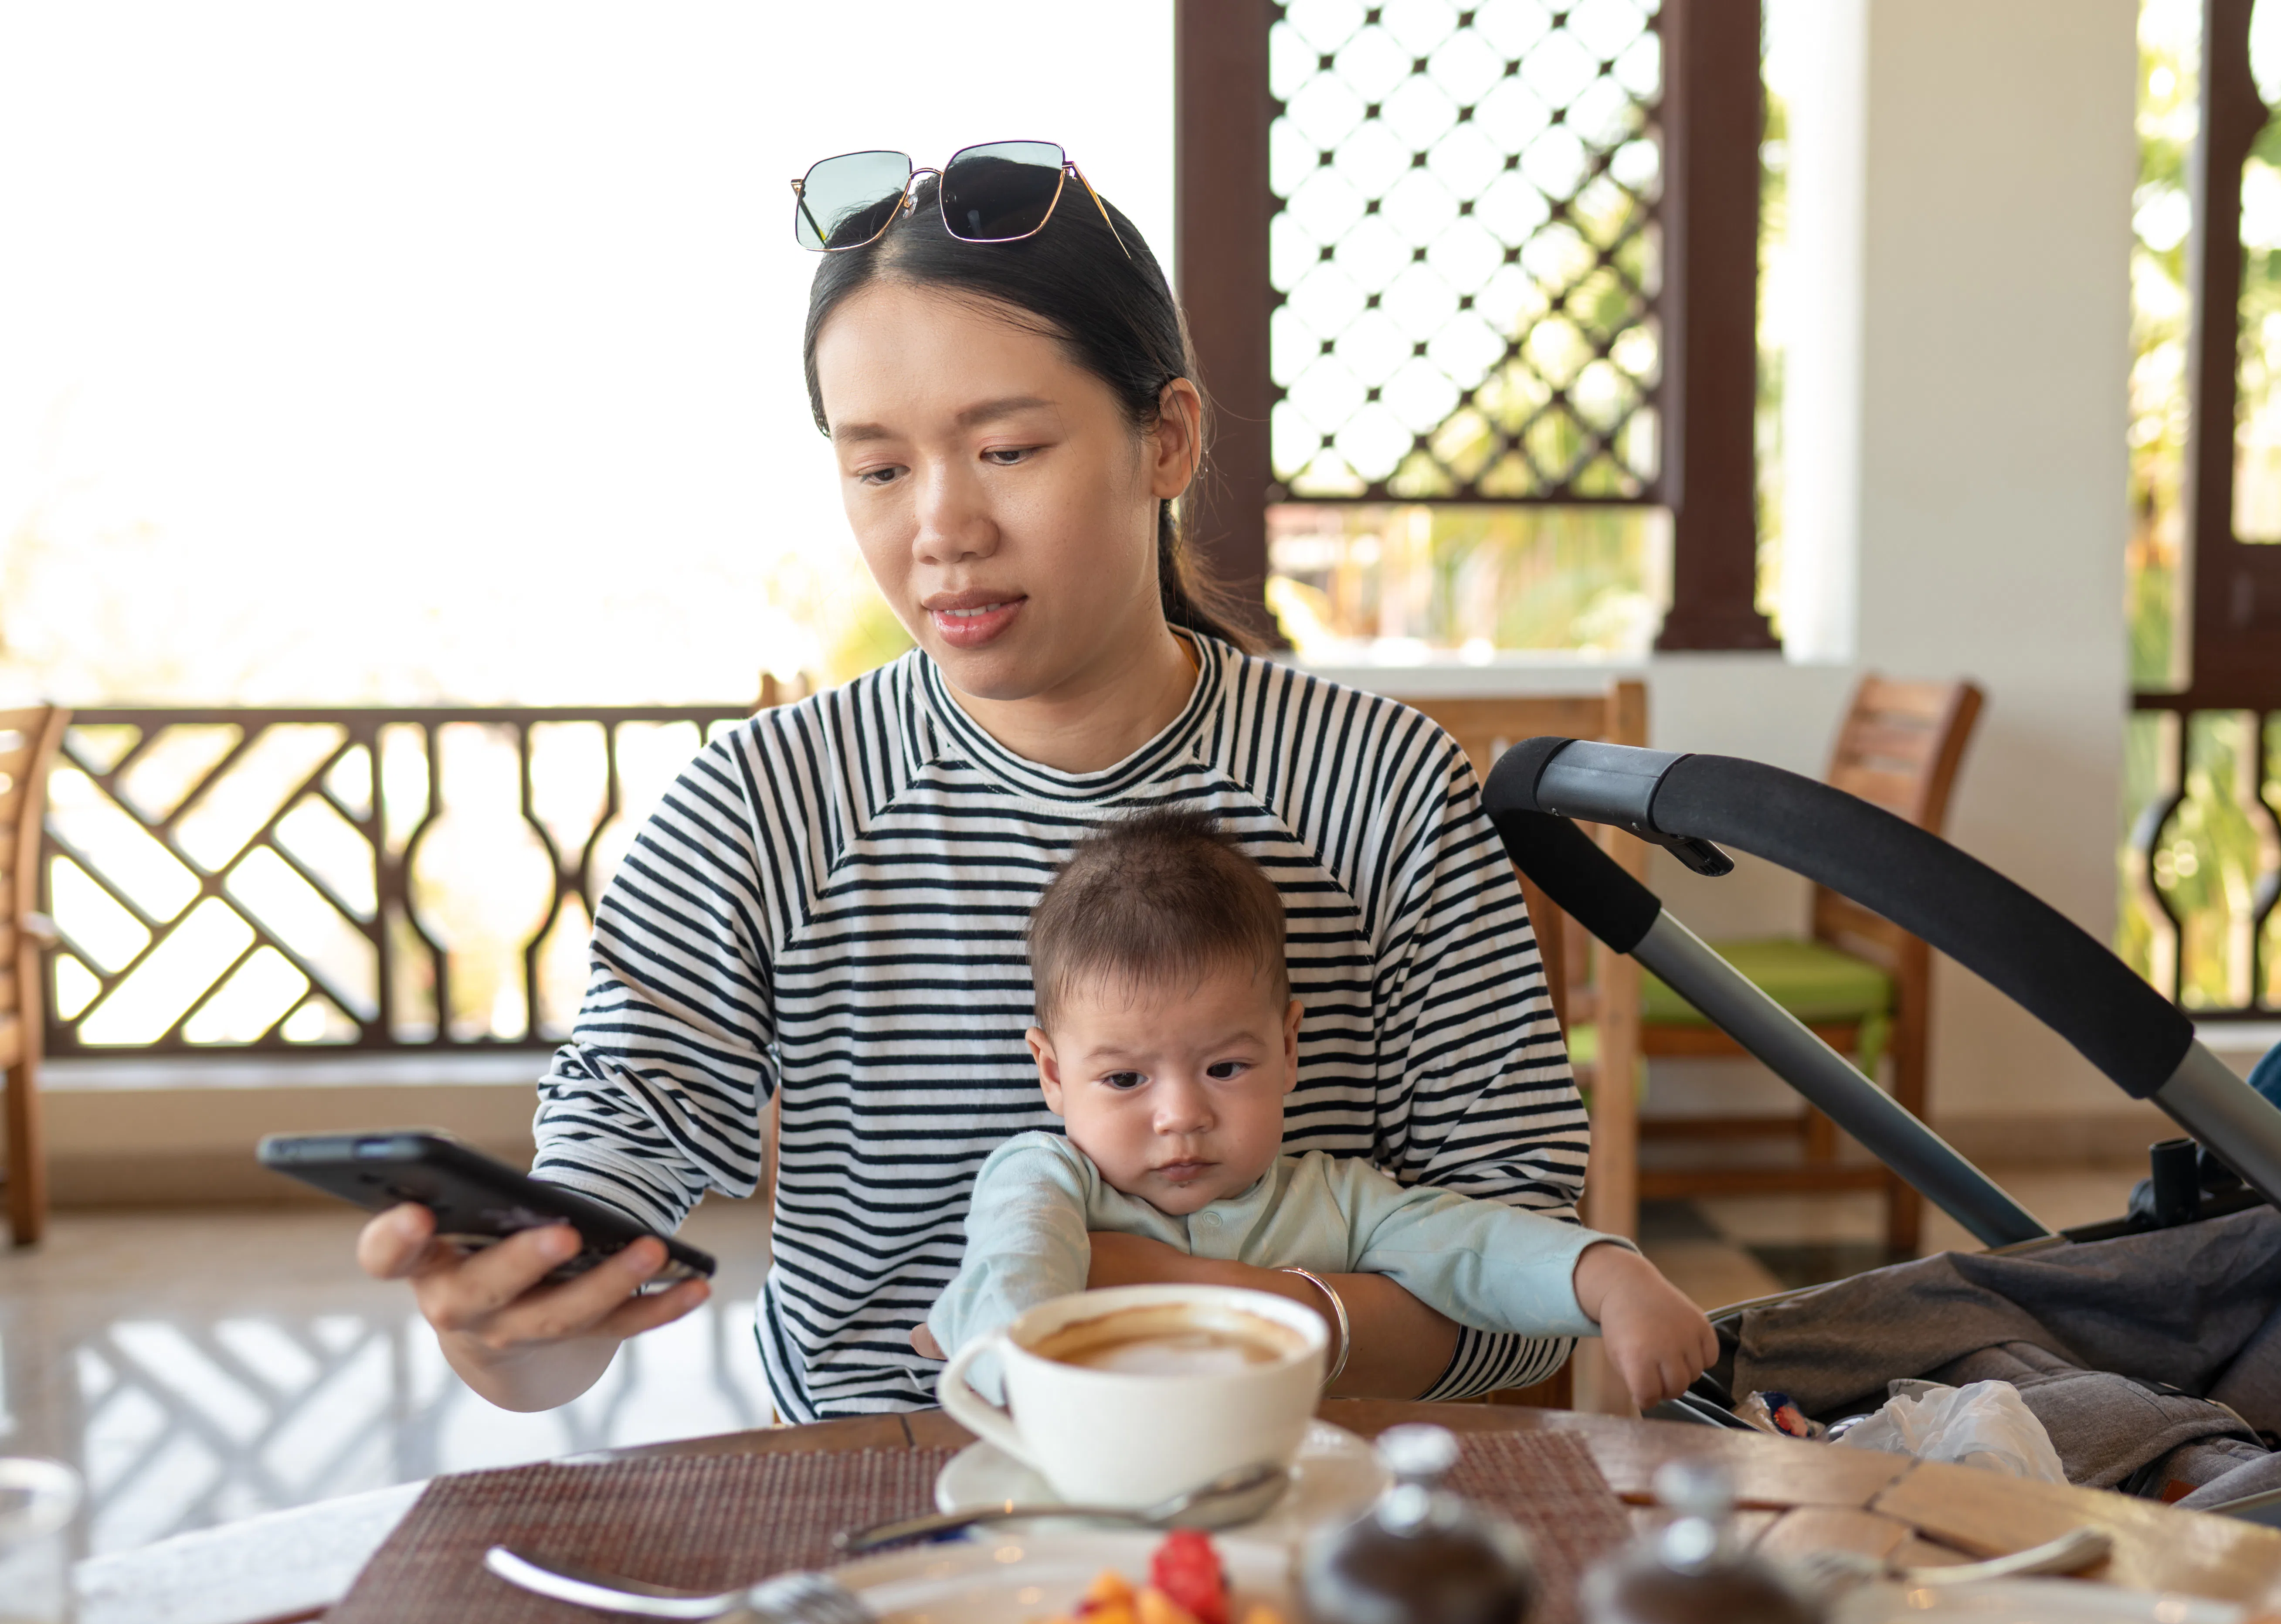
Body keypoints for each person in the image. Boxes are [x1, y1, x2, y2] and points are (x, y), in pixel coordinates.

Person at [357, 146, 1598, 1420]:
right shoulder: (754, 809)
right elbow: (596, 1223)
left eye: (1006, 449)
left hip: (1279, 1500)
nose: (942, 529)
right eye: (880, 468)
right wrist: (505, 1333)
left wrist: (1189, 1315)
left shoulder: (1375, 787)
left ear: (1165, 439)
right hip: (886, 1513)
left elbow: (1528, 1284)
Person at [923, 807, 1718, 1408]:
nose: (1182, 1115)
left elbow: (1476, 1247)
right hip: (1088, 1482)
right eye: (1125, 1080)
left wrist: (1609, 1277)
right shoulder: (1045, 1178)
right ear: (1052, 1073)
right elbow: (1016, 1263)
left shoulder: (1339, 1200)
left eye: (1226, 1066)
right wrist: (1007, 1363)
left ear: (1291, 1045)